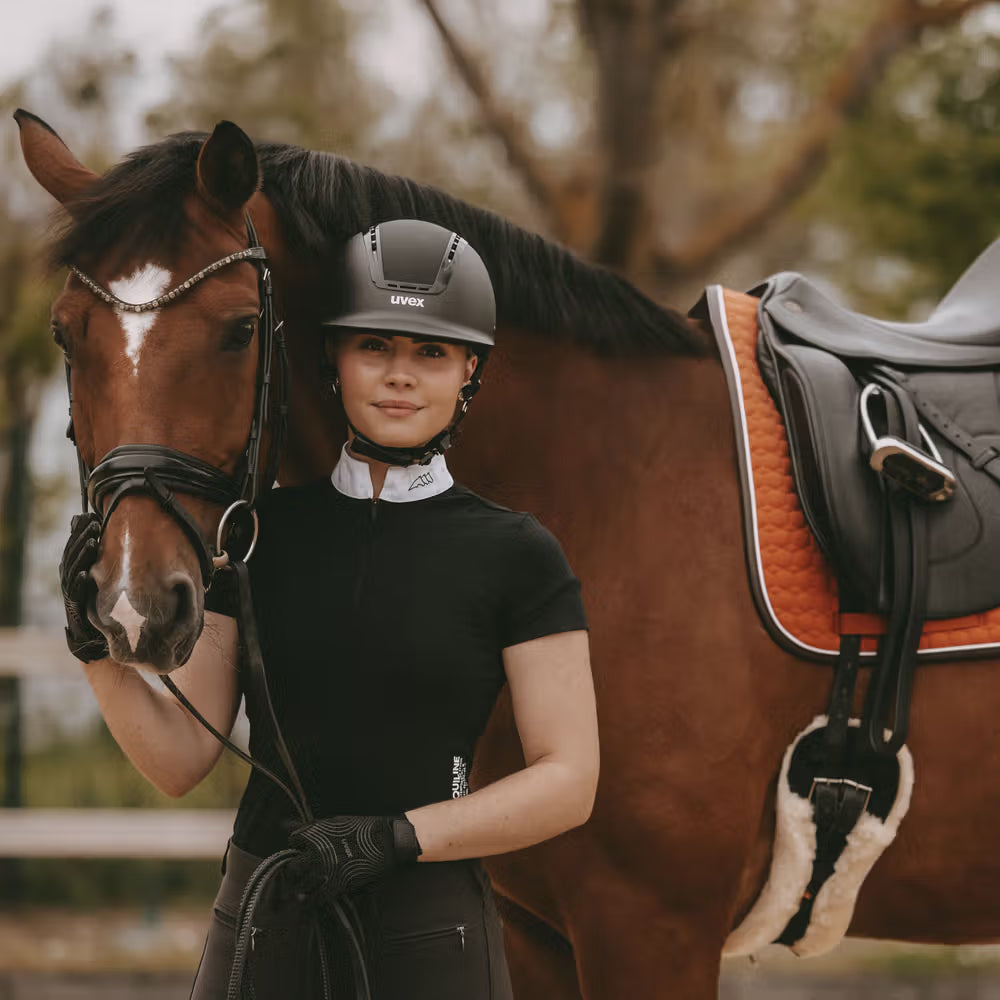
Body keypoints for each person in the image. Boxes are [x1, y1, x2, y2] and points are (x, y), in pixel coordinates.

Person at [60, 219, 599, 998]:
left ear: (469, 371)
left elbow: (569, 778)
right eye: (375, 346)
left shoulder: (518, 554)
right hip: (261, 923)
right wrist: (96, 654)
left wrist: (399, 837)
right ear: (332, 361)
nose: (400, 375)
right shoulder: (254, 538)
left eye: (431, 352)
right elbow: (180, 760)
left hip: (431, 931)